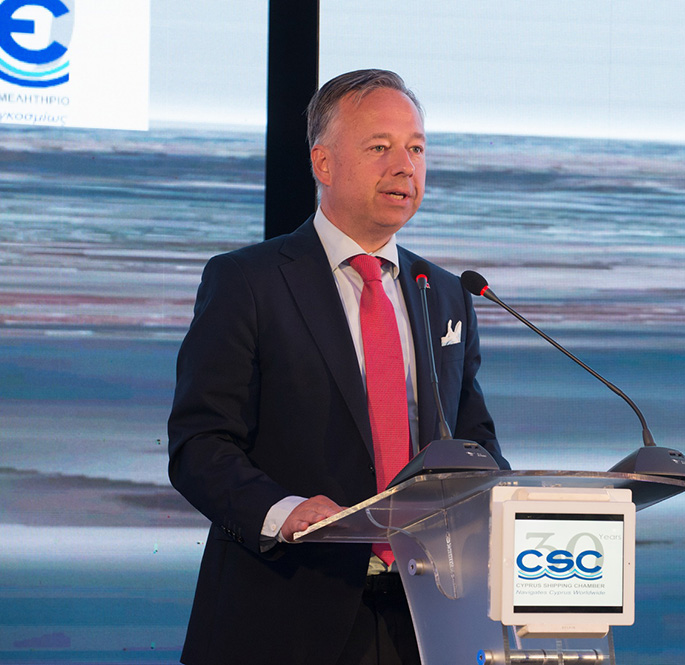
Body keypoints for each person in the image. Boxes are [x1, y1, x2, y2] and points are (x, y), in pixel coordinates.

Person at [168, 69, 509, 665]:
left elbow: (474, 444)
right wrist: (283, 511)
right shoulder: (248, 282)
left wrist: (501, 500)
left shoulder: (446, 294)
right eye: (380, 147)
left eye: (416, 149)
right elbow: (200, 444)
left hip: (425, 618)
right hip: (286, 612)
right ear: (323, 164)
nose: (405, 167)